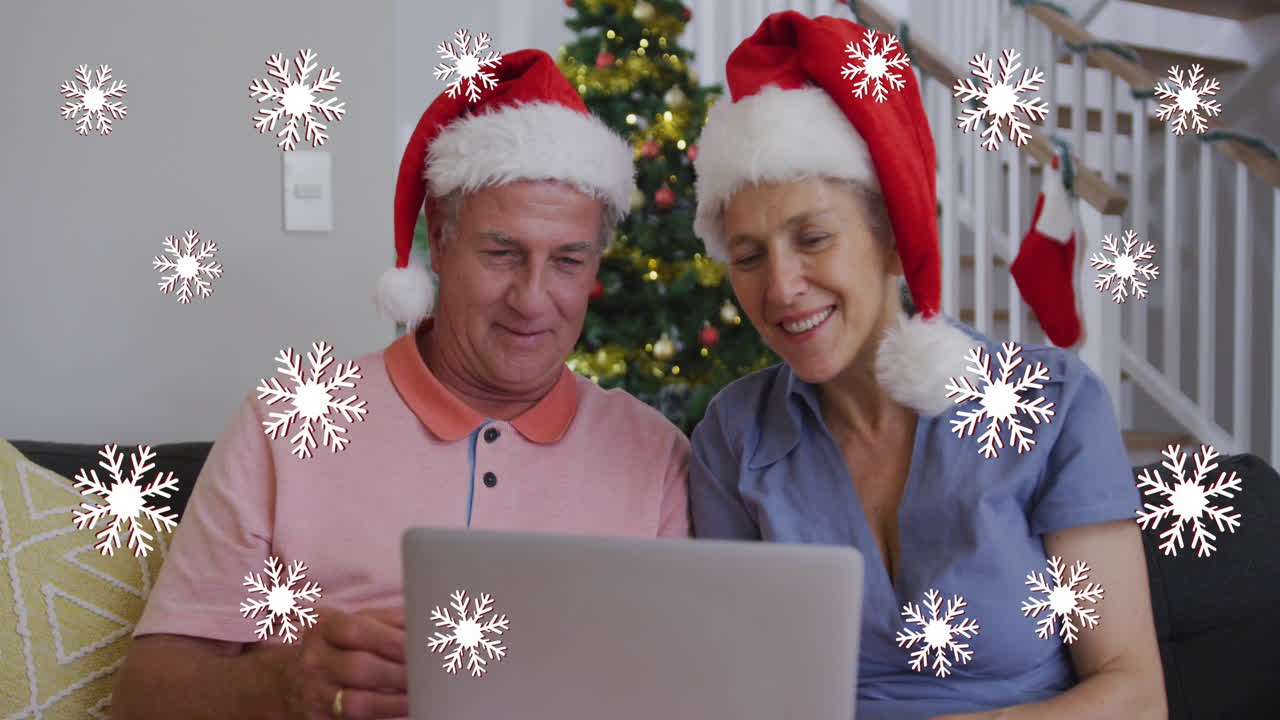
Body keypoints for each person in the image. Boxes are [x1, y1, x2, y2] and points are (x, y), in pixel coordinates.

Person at [113, 49, 691, 720]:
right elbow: (140, 698)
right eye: (502, 253)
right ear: (440, 241)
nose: (533, 299)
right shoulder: (288, 420)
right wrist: (282, 683)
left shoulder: (656, 457)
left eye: (567, 261)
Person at [687, 12, 1165, 720]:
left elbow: (1133, 693)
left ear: (890, 239)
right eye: (749, 255)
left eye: (813, 238)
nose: (781, 286)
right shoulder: (735, 435)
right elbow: (730, 686)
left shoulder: (1052, 404)